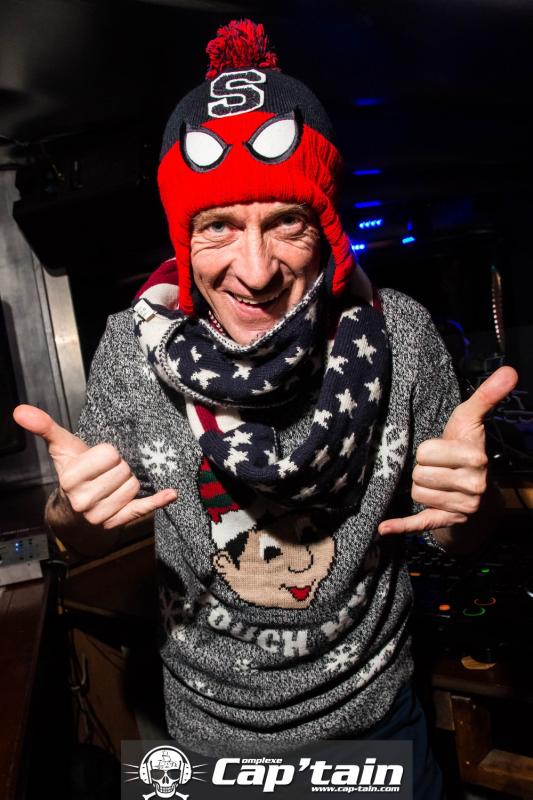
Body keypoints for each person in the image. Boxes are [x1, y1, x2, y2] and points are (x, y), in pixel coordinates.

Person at [13, 19, 517, 798]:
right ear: (182, 238)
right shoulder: (130, 348)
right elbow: (79, 531)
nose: (254, 271)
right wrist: (72, 518)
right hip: (205, 737)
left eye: (287, 221)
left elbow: (459, 533)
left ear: (328, 229)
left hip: (378, 721)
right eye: (217, 225)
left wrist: (469, 510)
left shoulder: (402, 335)